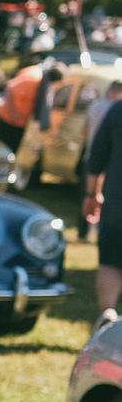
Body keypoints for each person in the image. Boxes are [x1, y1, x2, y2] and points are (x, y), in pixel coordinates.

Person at [83, 92, 122, 325]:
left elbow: (96, 156)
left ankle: (107, 312)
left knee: (110, 261)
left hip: (117, 204)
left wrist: (91, 193)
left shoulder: (118, 110)